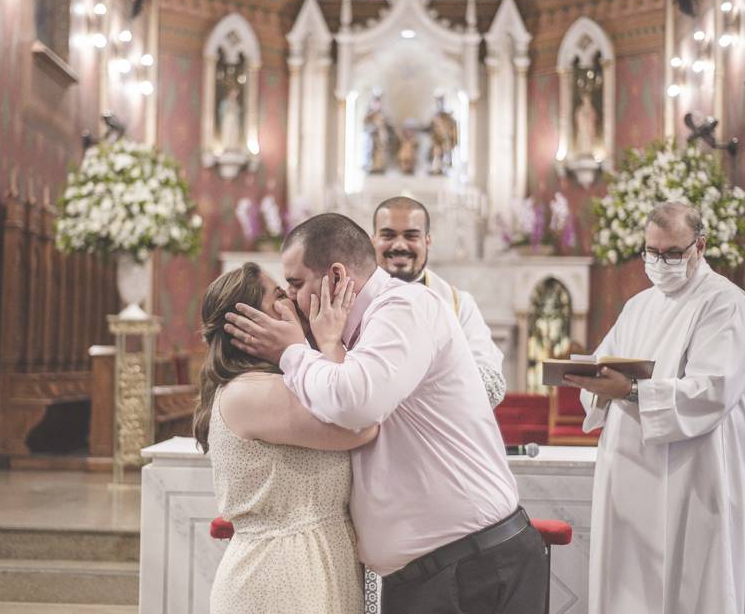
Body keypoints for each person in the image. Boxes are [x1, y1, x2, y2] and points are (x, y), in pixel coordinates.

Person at [224, 213, 548, 614]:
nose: (290, 298)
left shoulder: (403, 307)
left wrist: (291, 352)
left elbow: (357, 407)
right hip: (435, 573)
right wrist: (323, 345)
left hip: (470, 569)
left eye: (295, 283)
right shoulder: (348, 335)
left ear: (337, 278)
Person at [564, 202, 745, 614]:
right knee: (629, 588)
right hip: (629, 471)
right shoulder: (639, 306)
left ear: (700, 246)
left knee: (690, 587)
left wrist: (632, 391)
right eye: (651, 253)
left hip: (693, 474)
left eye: (672, 253)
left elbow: (714, 388)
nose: (660, 263)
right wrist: (594, 383)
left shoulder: (726, 303)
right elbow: (606, 366)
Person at [194, 262, 376, 614]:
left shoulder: (283, 383)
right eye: (279, 295)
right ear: (249, 323)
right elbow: (359, 423)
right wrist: (328, 341)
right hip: (278, 574)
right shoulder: (249, 392)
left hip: (313, 563)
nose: (292, 299)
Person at [373, 196, 506, 406]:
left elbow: (492, 384)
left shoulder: (459, 305)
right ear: (373, 240)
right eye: (388, 235)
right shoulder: (350, 301)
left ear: (427, 241)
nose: (399, 245)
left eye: (411, 236)